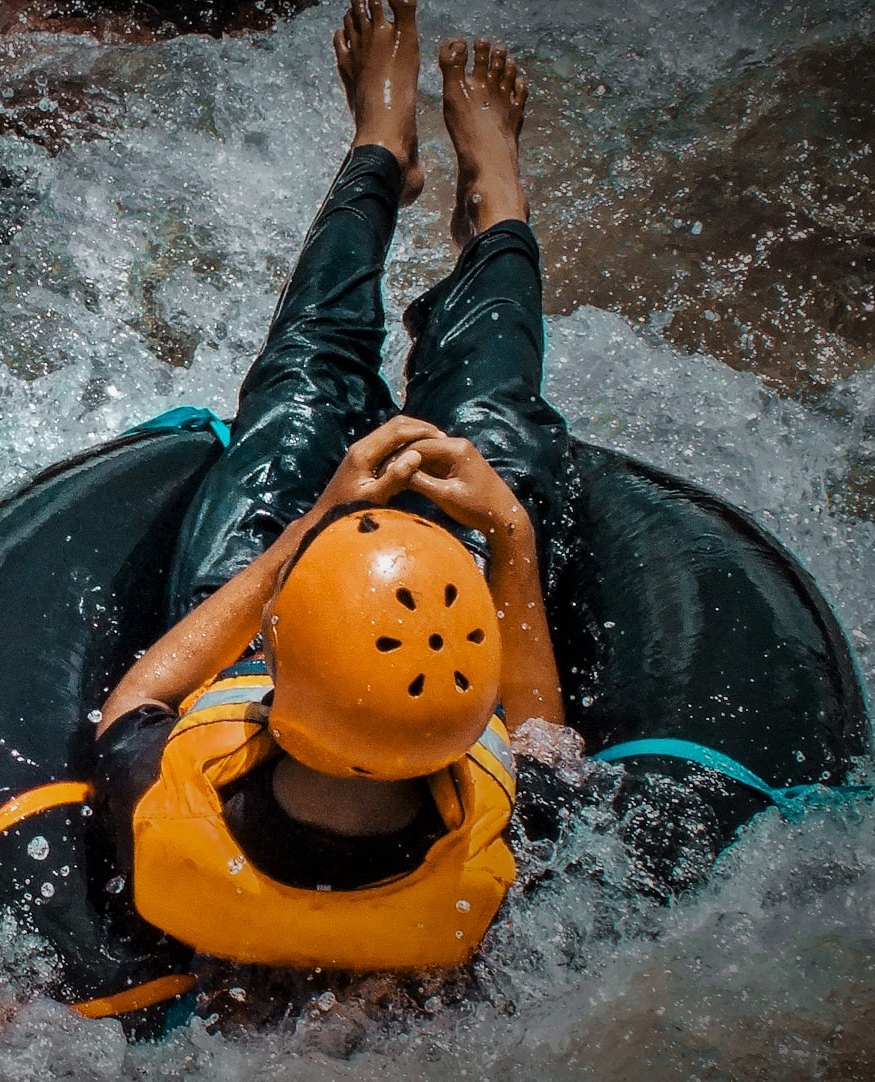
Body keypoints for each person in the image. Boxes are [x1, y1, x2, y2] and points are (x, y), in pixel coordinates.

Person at [91, 0, 582, 975]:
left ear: (276, 665)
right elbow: (541, 737)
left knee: (304, 381)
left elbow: (136, 695)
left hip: (271, 621)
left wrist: (322, 514)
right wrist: (511, 540)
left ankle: (378, 153)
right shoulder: (493, 845)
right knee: (492, 431)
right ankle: (495, 206)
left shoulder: (175, 811)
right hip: (382, 664)